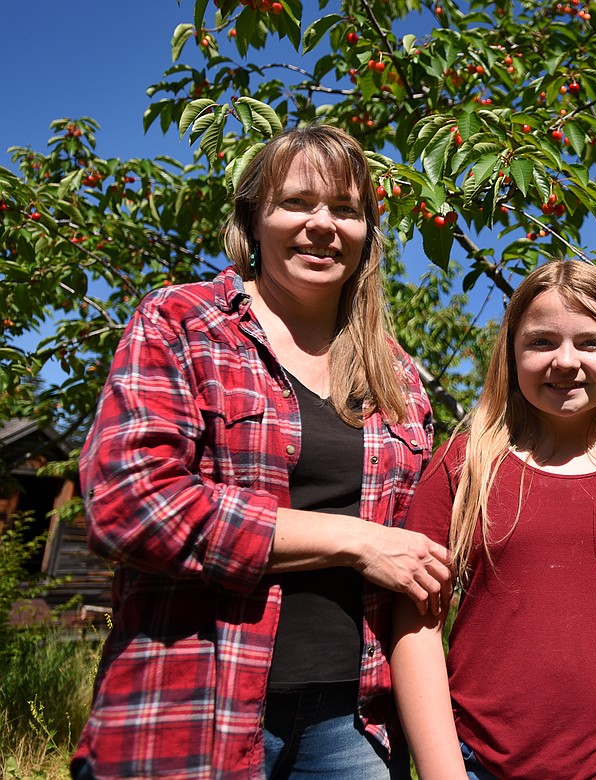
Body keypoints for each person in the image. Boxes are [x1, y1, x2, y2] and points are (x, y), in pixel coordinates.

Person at [72, 125, 452, 780]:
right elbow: (126, 500)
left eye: (346, 209)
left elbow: (416, 556)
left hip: (353, 719)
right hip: (192, 704)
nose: (322, 225)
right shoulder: (182, 322)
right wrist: (353, 540)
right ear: (254, 219)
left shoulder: (399, 379)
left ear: (368, 233)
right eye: (297, 203)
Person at [390, 260, 596, 779]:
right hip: (481, 765)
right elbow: (416, 630)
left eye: (590, 343)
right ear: (510, 352)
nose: (565, 362)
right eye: (541, 342)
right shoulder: (463, 465)